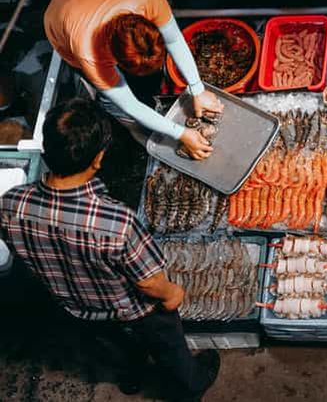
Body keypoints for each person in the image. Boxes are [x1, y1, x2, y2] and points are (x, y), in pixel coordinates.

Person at [0, 98, 220, 400]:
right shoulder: (116, 222)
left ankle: (132, 377)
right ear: (98, 159)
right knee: (169, 348)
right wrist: (172, 295)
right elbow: (149, 283)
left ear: (46, 149)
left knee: (115, 347)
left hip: (76, 309)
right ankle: (191, 384)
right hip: (135, 312)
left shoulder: (12, 203)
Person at [44, 0, 223, 159]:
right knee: (112, 100)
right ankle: (134, 130)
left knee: (143, 86)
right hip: (59, 18)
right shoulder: (90, 53)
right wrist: (182, 134)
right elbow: (130, 105)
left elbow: (174, 40)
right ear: (115, 60)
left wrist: (197, 89)